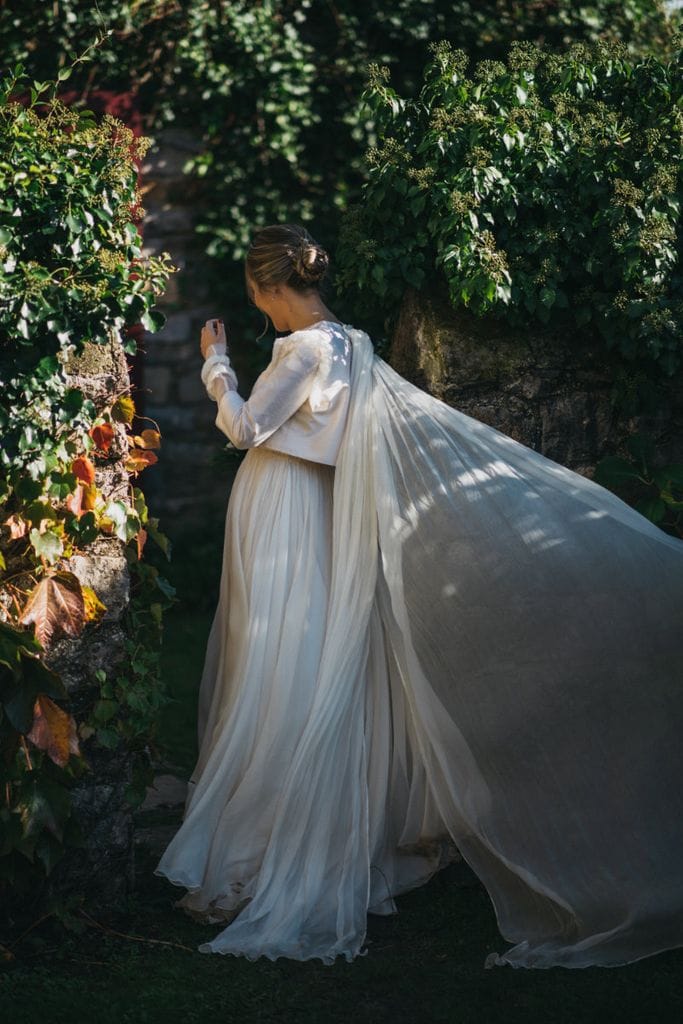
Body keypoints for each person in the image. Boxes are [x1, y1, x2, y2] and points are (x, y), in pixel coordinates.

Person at [154, 222, 683, 969]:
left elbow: (243, 429)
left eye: (256, 295)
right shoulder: (351, 344)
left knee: (275, 659)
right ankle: (329, 827)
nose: (259, 309)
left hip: (282, 513)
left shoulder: (301, 350)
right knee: (301, 653)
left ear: (269, 286)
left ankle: (269, 839)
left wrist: (214, 365)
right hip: (316, 511)